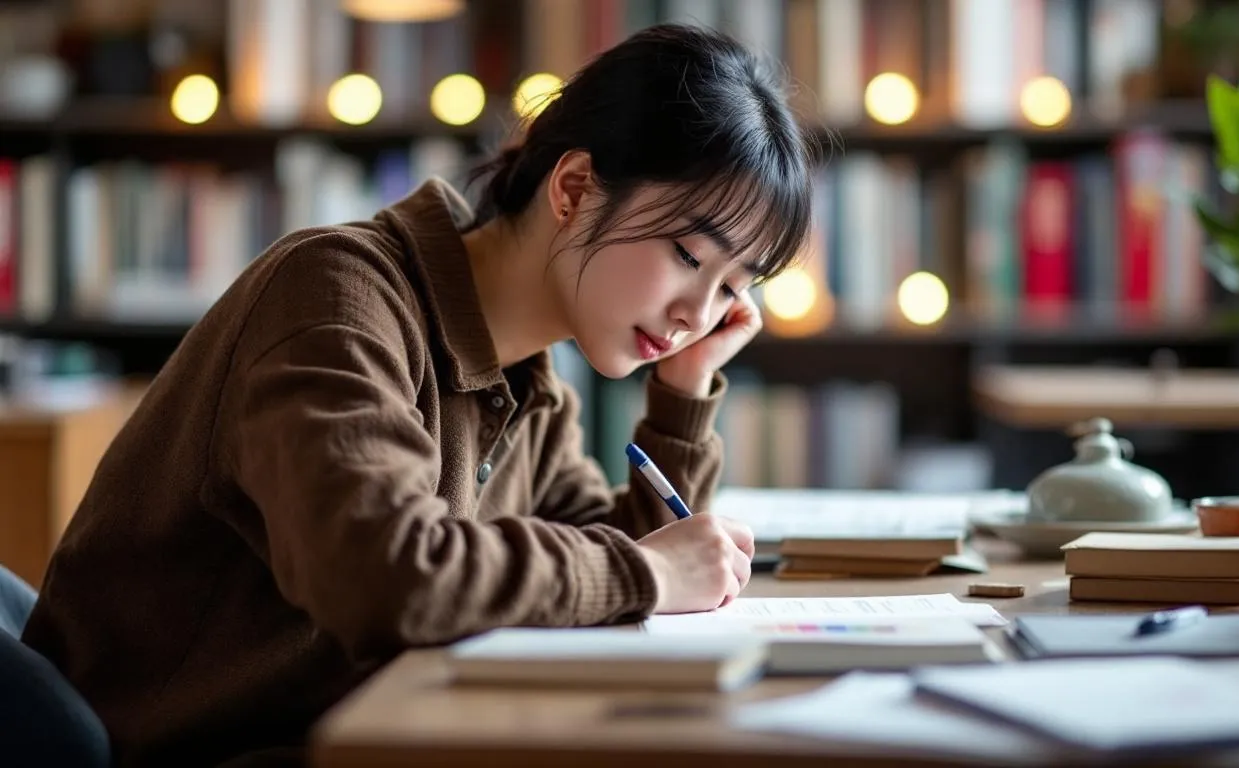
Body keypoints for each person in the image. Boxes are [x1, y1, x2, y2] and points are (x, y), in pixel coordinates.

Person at [21, 22, 820, 768]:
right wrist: (646, 574)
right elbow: (385, 573)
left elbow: (626, 567)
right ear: (574, 188)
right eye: (688, 254)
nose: (699, 314)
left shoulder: (531, 379)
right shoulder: (335, 294)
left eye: (732, 289)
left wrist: (682, 393)